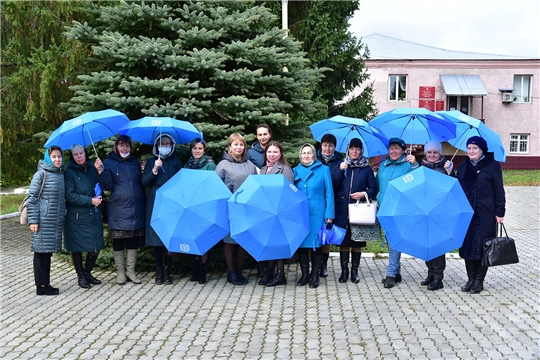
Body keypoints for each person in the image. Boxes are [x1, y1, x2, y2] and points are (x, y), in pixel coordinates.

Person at [455, 136, 505, 294]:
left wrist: (499, 212)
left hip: (485, 213)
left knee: (484, 247)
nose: (471, 151)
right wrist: (450, 173)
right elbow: (457, 188)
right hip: (466, 213)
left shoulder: (492, 166)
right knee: (468, 246)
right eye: (469, 148)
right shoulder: (463, 166)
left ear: (482, 149)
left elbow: (499, 190)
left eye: (475, 148)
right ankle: (470, 279)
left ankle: (479, 281)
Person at [95, 135, 146, 285]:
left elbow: (140, 183)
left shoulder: (135, 163)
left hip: (136, 208)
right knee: (118, 240)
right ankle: (120, 272)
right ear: (116, 147)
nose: (125, 149)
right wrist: (100, 172)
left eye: (127, 146)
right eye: (122, 145)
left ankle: (131, 271)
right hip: (118, 208)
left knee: (132, 239)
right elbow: (107, 186)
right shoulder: (109, 162)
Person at [216, 133, 258, 285]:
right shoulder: (222, 165)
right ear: (229, 147)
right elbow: (216, 188)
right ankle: (231, 272)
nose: (239, 147)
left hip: (246, 208)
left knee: (243, 240)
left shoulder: (250, 165)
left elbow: (255, 186)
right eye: (236, 144)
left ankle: (240, 271)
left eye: (241, 145)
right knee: (229, 241)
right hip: (229, 208)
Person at [376, 137, 419, 289]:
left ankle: (391, 274)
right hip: (384, 207)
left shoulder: (408, 164)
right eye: (391, 148)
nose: (394, 151)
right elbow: (378, 185)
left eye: (397, 148)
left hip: (399, 208)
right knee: (391, 239)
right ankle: (398, 273)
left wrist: (414, 164)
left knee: (394, 239)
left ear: (403, 150)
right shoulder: (383, 165)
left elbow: (417, 181)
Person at [333, 138, 377, 284]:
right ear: (348, 150)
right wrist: (340, 170)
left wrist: (363, 195)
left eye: (357, 149)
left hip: (359, 209)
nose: (354, 151)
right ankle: (344, 271)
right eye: (352, 148)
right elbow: (333, 184)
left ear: (361, 151)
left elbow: (373, 188)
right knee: (344, 241)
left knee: (357, 241)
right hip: (342, 209)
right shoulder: (341, 165)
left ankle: (354, 272)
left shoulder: (366, 168)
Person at [141, 134, 182, 285]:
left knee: (167, 236)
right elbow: (144, 182)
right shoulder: (152, 161)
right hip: (155, 199)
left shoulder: (177, 162)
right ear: (156, 146)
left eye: (167, 144)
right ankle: (159, 271)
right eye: (162, 144)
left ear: (172, 146)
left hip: (171, 200)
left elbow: (180, 183)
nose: (164, 147)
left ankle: (167, 270)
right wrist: (154, 169)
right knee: (156, 236)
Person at [293, 143, 335, 289]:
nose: (306, 156)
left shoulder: (323, 170)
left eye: (309, 153)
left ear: (314, 155)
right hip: (301, 214)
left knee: (316, 245)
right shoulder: (295, 171)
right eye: (303, 153)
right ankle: (304, 275)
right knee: (302, 245)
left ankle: (315, 275)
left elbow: (329, 193)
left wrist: (329, 214)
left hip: (318, 212)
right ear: (300, 155)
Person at [64, 144, 104, 289]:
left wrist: (99, 171)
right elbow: (69, 195)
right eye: (76, 154)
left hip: (93, 214)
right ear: (72, 156)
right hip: (77, 216)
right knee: (77, 247)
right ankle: (80, 275)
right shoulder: (69, 173)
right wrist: (89, 201)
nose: (79, 156)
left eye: (81, 153)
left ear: (85, 153)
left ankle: (87, 273)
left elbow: (100, 186)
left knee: (95, 246)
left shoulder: (92, 169)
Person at [27, 146, 65, 295]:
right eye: (54, 157)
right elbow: (32, 199)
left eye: (59, 157)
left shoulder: (60, 174)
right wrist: (33, 220)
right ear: (48, 157)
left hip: (53, 222)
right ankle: (41, 287)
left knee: (46, 253)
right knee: (40, 253)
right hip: (42, 221)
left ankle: (45, 284)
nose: (57, 159)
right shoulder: (41, 174)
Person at [418, 140, 455, 291]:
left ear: (439, 153)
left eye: (435, 152)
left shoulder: (445, 167)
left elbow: (453, 188)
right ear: (425, 154)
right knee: (427, 244)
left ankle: (438, 277)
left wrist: (450, 173)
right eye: (429, 152)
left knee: (437, 245)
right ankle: (431, 273)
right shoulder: (420, 168)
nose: (432, 155)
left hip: (439, 212)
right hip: (424, 211)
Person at [257, 141, 295, 287]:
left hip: (280, 211)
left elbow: (290, 192)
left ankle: (280, 274)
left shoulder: (285, 169)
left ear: (280, 154)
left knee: (277, 242)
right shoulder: (263, 169)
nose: (272, 155)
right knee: (269, 243)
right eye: (269, 152)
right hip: (266, 211)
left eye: (275, 152)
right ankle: (269, 271)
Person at [184, 138, 216, 284]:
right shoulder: (188, 165)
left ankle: (203, 268)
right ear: (191, 150)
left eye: (200, 148)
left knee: (204, 237)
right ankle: (196, 268)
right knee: (193, 236)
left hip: (205, 205)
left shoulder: (210, 165)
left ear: (204, 150)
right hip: (191, 205)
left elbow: (212, 185)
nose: (197, 151)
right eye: (195, 148)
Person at [316, 134, 344, 278]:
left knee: (326, 234)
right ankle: (316, 264)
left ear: (335, 147)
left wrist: (341, 170)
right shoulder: (314, 159)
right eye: (325, 145)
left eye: (331, 146)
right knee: (315, 232)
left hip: (331, 201)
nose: (327, 148)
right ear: (321, 146)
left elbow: (339, 184)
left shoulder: (340, 161)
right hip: (316, 200)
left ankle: (324, 265)